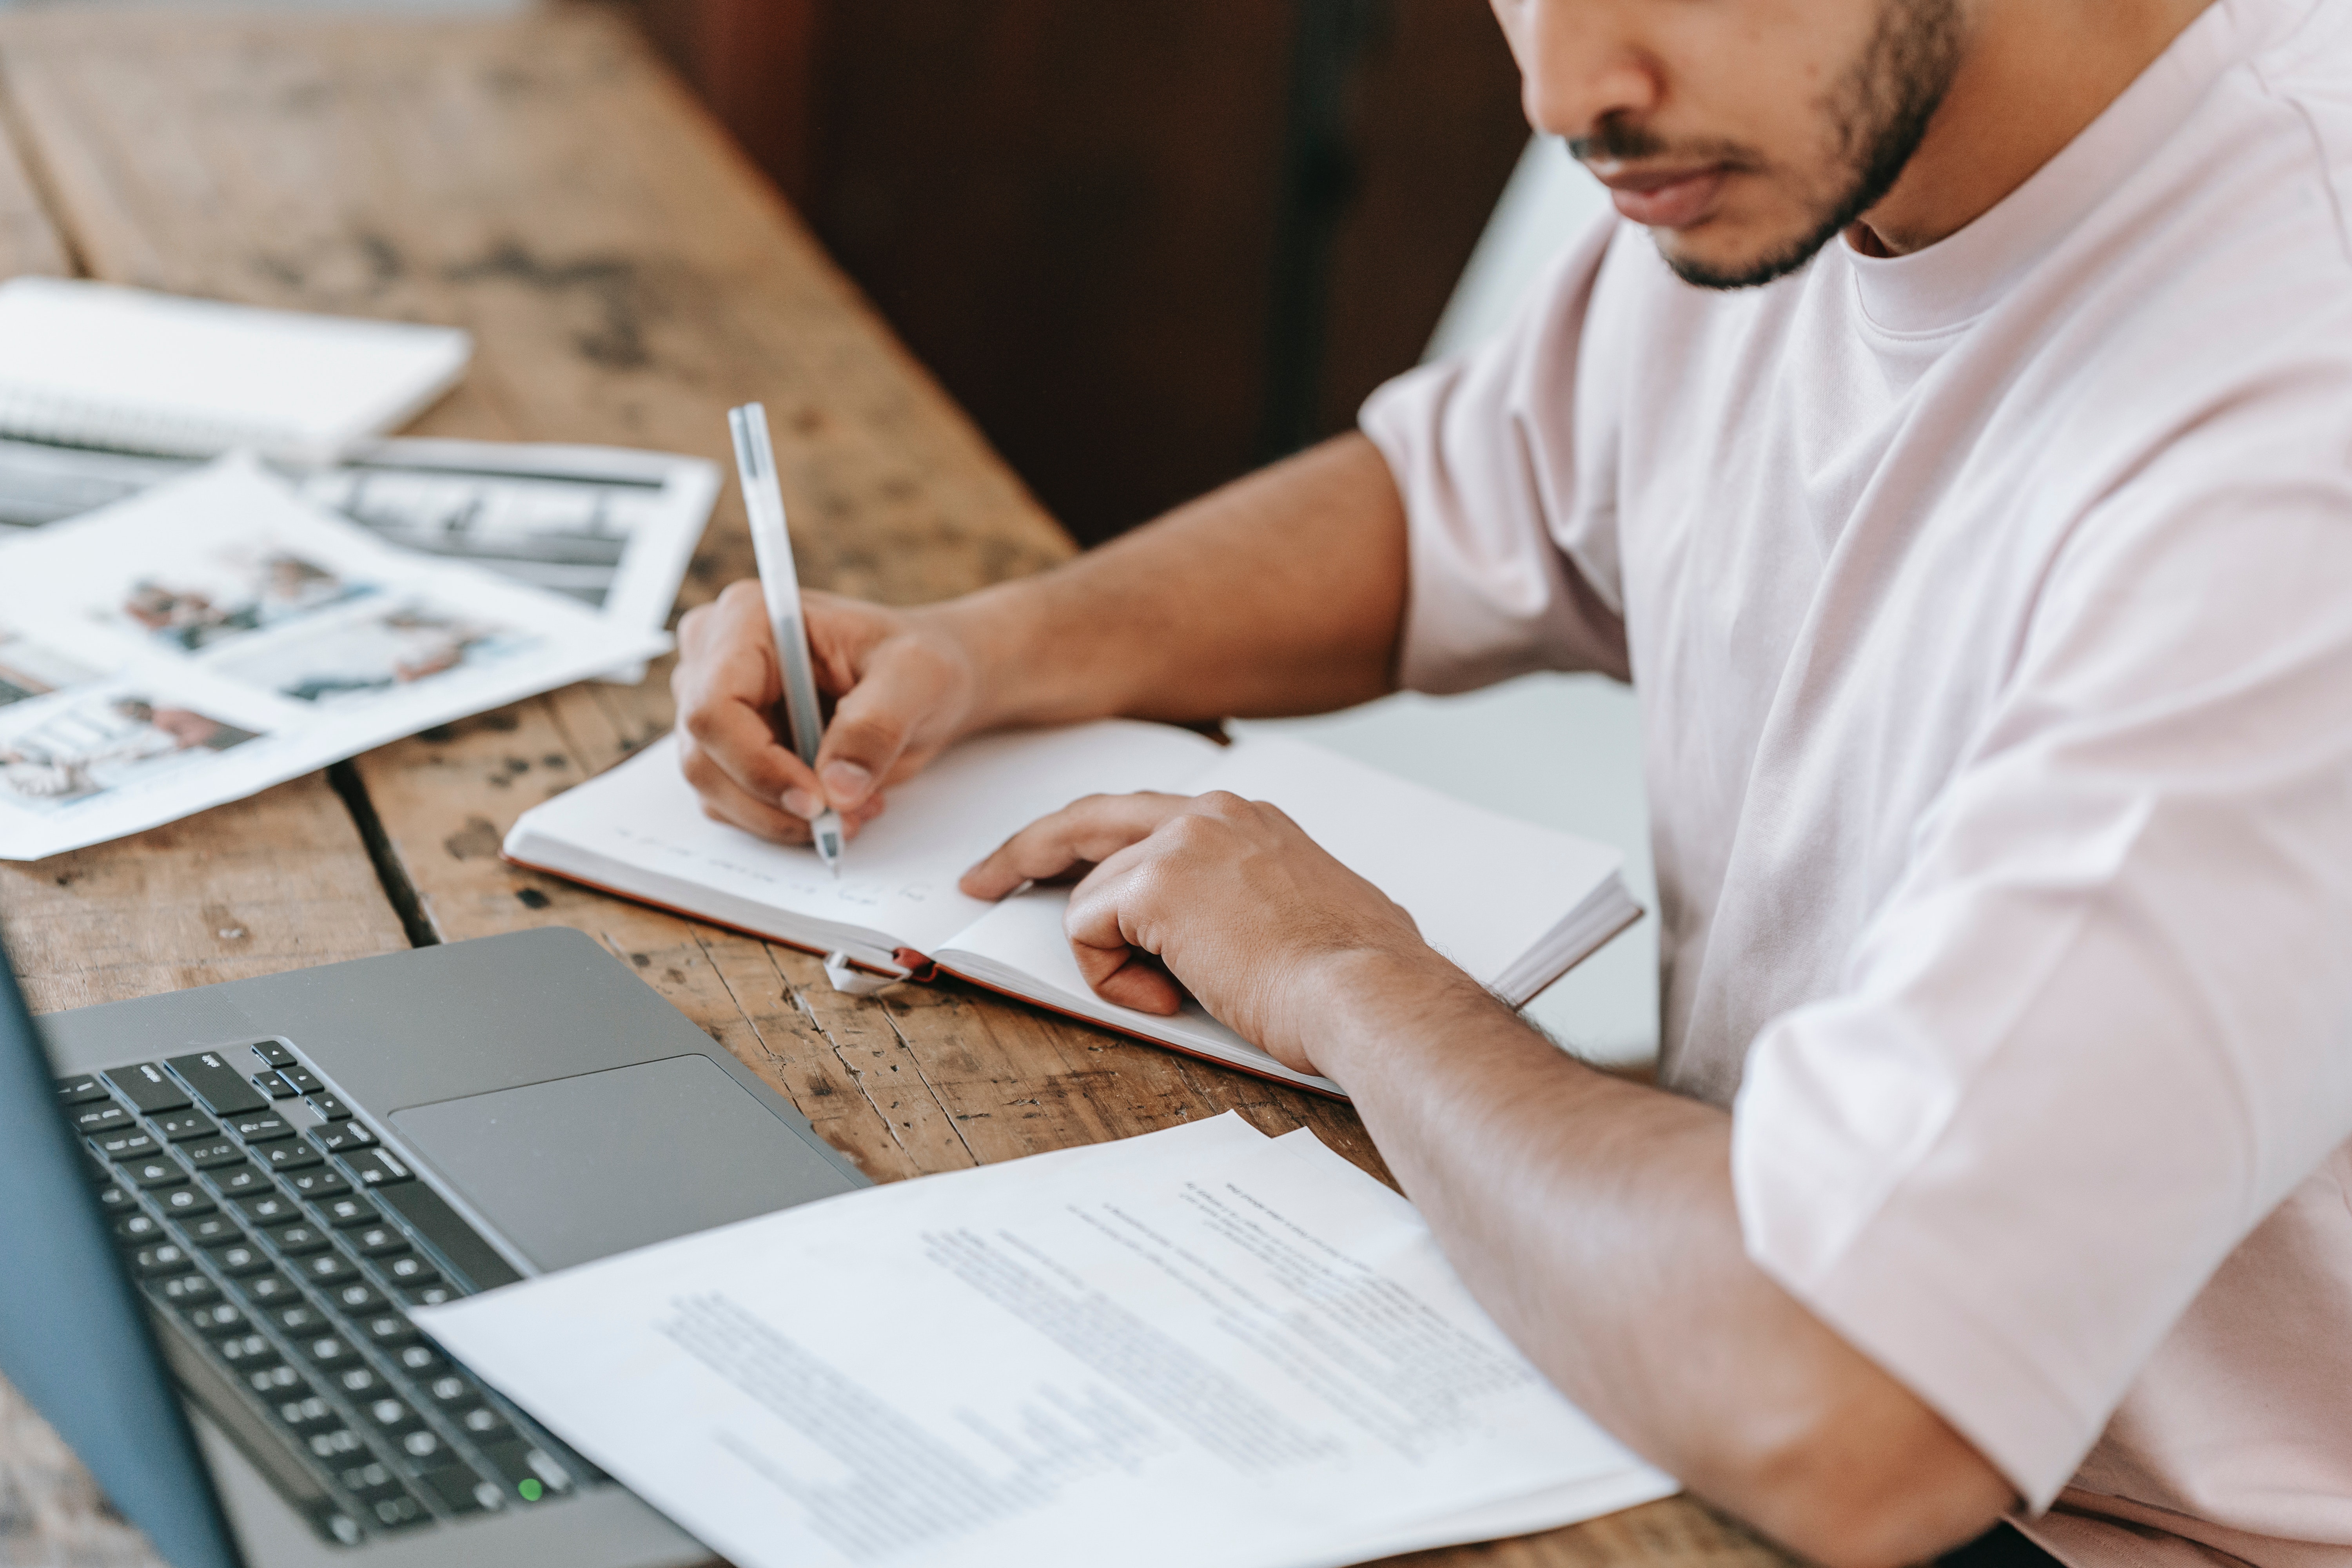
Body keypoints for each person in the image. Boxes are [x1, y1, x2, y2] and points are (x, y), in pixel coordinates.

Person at [670, 2, 2352, 1564]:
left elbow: (1856, 1405)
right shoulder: (1799, 148)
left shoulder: (2287, 433)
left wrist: (1346, 975)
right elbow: (1473, 496)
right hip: (1739, 1340)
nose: (1560, 95)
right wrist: (994, 647)